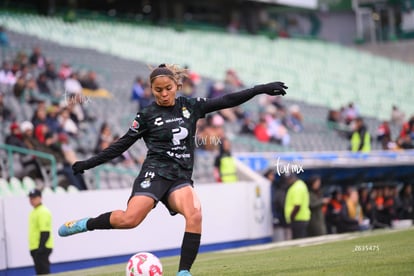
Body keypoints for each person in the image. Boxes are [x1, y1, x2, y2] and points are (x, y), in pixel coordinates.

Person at [57, 63, 288, 276]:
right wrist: (87, 163)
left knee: (195, 214)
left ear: (177, 86)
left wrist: (260, 89)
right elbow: (121, 145)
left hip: (180, 177)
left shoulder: (190, 106)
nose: (164, 94)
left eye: (168, 88)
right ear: (151, 89)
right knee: (130, 220)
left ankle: (183, 272)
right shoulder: (146, 115)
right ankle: (84, 224)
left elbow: (226, 100)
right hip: (155, 173)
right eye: (158, 90)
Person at [28, 189, 54, 275]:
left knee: (43, 271)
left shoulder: (43, 211)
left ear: (40, 198)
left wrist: (41, 248)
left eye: (34, 198)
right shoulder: (34, 212)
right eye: (31, 198)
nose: (32, 200)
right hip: (35, 247)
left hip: (42, 246)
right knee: (40, 271)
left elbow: (45, 231)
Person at [284, 174, 310, 239]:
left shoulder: (297, 187)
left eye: (288, 179)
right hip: (301, 218)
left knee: (298, 240)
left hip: (298, 219)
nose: (287, 181)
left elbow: (297, 205)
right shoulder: (300, 185)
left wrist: (291, 217)